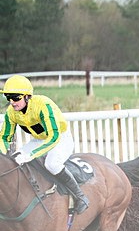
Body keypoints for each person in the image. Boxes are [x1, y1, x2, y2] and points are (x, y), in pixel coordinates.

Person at [0, 74, 89, 213]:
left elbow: (53, 137)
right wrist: (3, 154)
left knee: (51, 164)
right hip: (39, 140)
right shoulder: (11, 112)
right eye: (8, 98)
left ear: (27, 96)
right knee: (15, 159)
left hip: (60, 138)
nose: (12, 102)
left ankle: (80, 196)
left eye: (16, 97)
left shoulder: (43, 105)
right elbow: (5, 137)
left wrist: (32, 155)